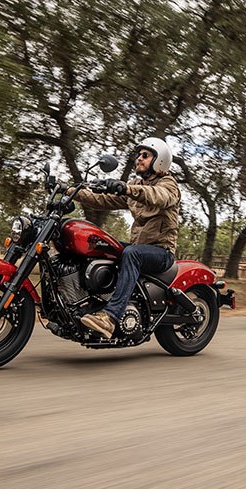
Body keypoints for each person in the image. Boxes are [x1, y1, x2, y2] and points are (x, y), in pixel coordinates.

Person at [71, 137, 180, 338]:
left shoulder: (168, 184)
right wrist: (69, 190)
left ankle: (110, 318)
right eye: (138, 155)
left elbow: (158, 196)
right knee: (95, 244)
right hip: (139, 248)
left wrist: (126, 188)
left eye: (145, 155)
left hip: (161, 252)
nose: (139, 158)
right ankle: (85, 303)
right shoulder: (136, 184)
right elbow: (103, 200)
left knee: (131, 253)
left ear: (160, 161)